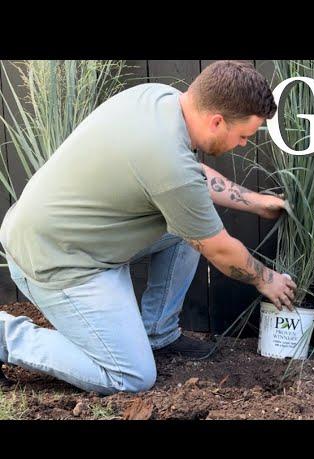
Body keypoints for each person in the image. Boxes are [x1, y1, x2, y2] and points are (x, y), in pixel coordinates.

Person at [0, 60, 297, 394]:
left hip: (71, 236)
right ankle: (6, 335)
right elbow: (219, 249)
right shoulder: (168, 161)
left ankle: (158, 333)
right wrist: (266, 279)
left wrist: (256, 201)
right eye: (243, 135)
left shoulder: (160, 99)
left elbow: (190, 180)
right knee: (131, 377)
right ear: (217, 121)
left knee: (193, 223)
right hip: (59, 261)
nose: (243, 143)